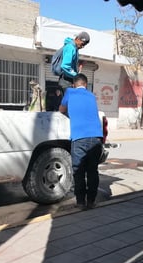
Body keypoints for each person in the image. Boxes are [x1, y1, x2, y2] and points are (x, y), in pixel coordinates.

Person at [59, 73, 103, 210]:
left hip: (79, 138)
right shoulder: (91, 95)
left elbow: (61, 109)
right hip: (96, 138)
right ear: (85, 84)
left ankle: (80, 202)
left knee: (78, 171)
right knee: (92, 171)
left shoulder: (70, 92)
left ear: (74, 84)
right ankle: (91, 201)